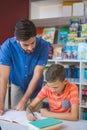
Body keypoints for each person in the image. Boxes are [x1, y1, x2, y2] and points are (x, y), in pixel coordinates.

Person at [0, 18, 49, 115]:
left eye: (32, 43)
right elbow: (3, 78)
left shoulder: (43, 46)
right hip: (17, 84)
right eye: (25, 45)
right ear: (16, 39)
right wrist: (1, 105)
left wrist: (24, 100)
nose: (30, 48)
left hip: (36, 87)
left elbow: (37, 75)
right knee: (17, 115)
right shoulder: (7, 47)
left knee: (35, 118)